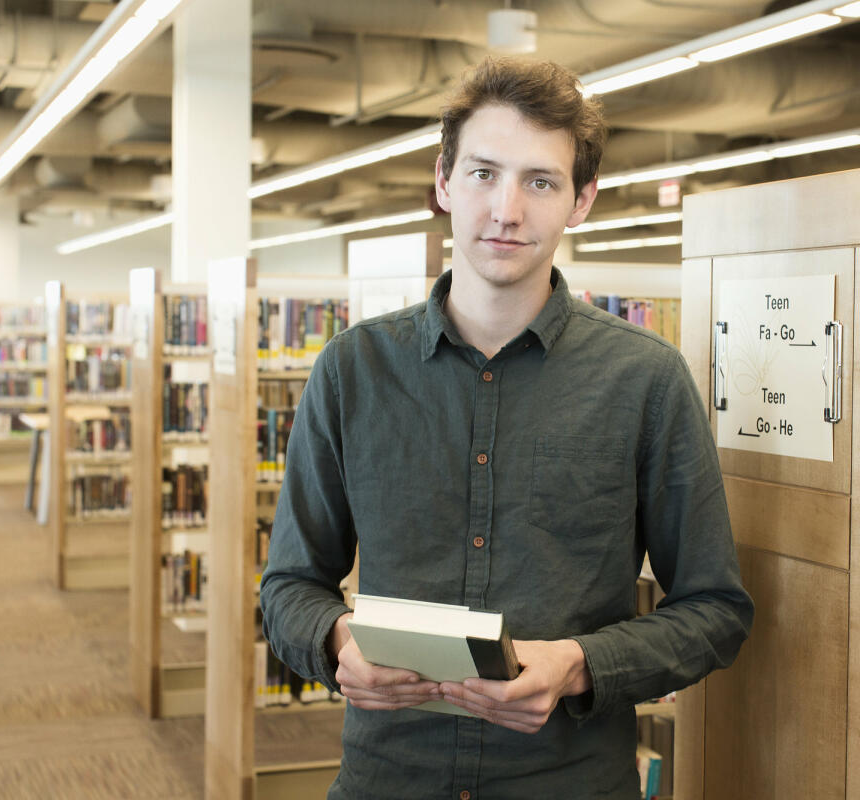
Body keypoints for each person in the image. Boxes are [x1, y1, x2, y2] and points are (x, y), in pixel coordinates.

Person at [260, 56, 753, 799]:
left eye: (541, 181)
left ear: (581, 200)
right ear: (443, 181)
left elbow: (715, 611)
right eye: (485, 173)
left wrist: (579, 664)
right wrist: (336, 643)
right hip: (389, 779)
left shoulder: (646, 380)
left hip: (568, 782)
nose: (507, 210)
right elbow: (290, 586)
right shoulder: (352, 370)